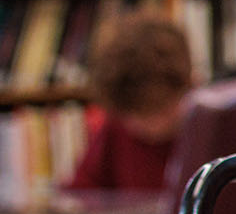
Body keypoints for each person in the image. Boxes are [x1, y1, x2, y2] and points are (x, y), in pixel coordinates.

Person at [63, 12, 192, 192]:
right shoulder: (114, 130)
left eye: (162, 111)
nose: (153, 128)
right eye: (139, 117)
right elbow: (80, 195)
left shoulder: (205, 132)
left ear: (187, 89)